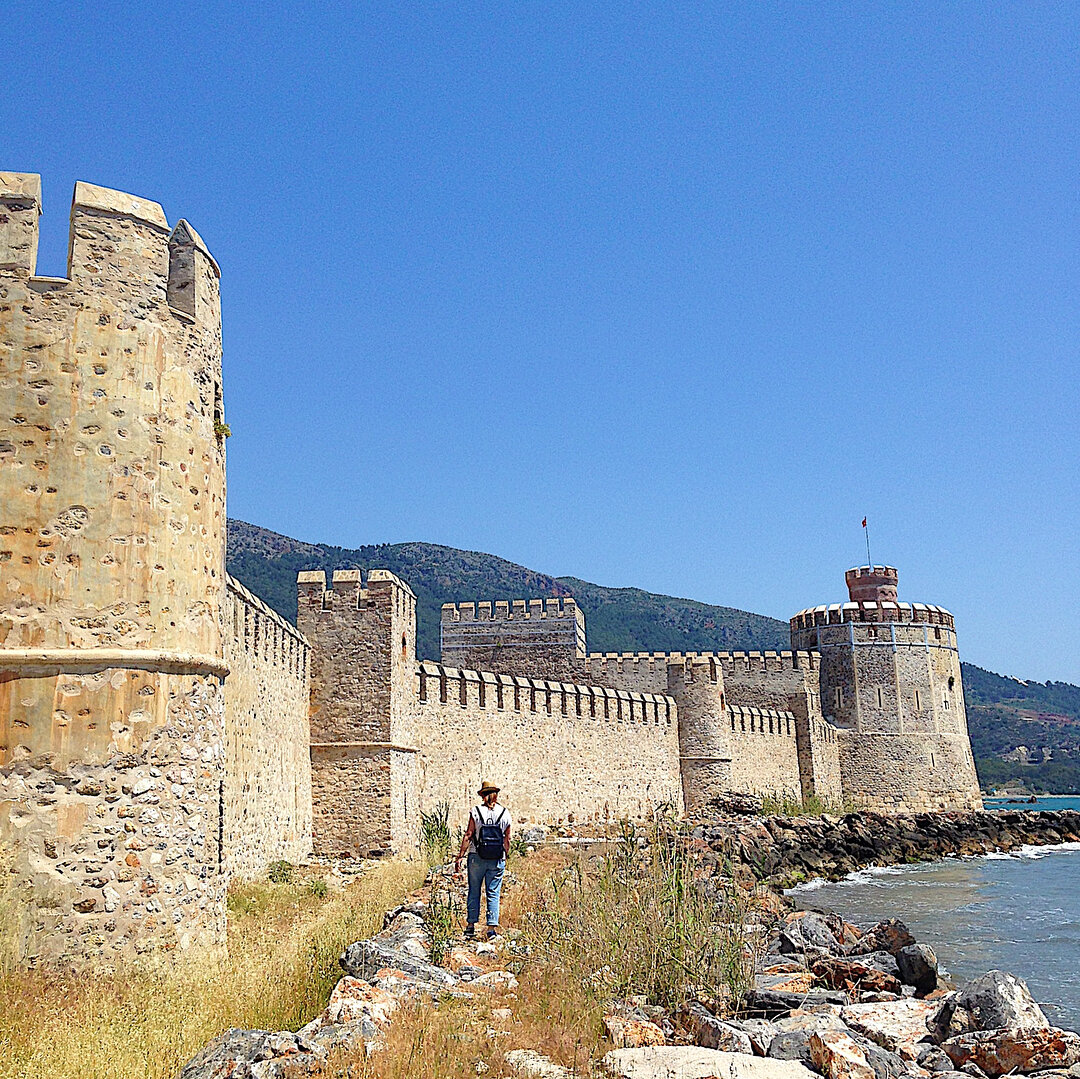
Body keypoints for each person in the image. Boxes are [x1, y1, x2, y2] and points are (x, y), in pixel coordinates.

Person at [454, 780, 511, 940]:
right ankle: (491, 929)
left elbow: (469, 834)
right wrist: (505, 855)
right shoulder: (505, 813)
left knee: (474, 890)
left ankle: (471, 926)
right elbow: (507, 839)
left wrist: (460, 856)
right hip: (496, 858)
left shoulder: (476, 811)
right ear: (496, 794)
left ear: (482, 795)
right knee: (493, 892)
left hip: (476, 857)